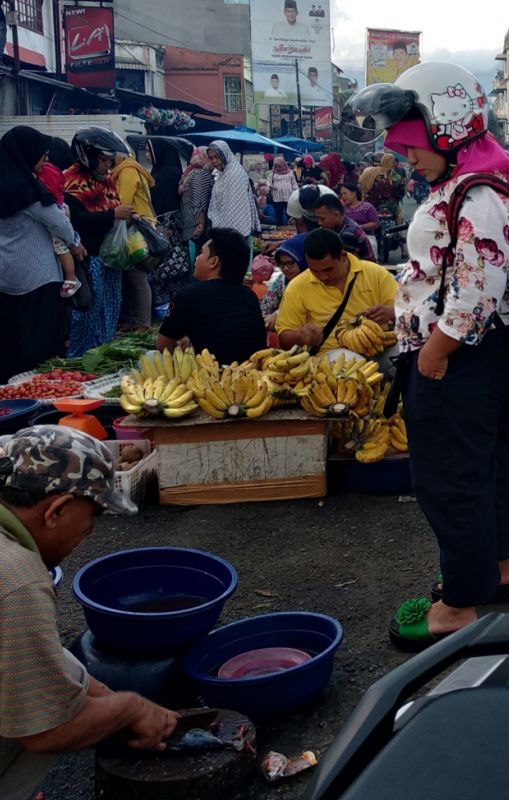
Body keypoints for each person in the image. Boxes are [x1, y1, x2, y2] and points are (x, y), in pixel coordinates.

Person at [362, 60, 509, 648]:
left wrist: (433, 355)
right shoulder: (469, 179)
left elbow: (476, 288)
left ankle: (458, 605)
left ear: (447, 125)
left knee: (449, 477)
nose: (406, 156)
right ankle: (495, 571)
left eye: (412, 143)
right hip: (470, 358)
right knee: (485, 463)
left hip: (459, 358)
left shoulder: (478, 190)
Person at [0, 427, 178, 800]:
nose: (91, 531)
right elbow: (46, 730)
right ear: (57, 510)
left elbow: (21, 650)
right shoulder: (17, 580)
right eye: (93, 514)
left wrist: (102, 696)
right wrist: (129, 707)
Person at [0, 127, 85, 383]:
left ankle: (10, 391)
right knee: (41, 343)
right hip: (38, 278)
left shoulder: (5, 184)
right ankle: (40, 393)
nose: (45, 160)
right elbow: (58, 223)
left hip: (6, 276)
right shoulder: (28, 191)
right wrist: (76, 243)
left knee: (11, 341)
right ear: (25, 155)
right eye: (41, 156)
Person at [64, 128, 135, 357]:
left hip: (110, 258)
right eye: (104, 160)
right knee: (89, 311)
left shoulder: (106, 182)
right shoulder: (71, 182)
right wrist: (113, 215)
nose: (107, 166)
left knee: (110, 307)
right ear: (88, 156)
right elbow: (76, 220)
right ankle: (82, 356)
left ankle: (102, 351)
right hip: (88, 257)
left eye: (110, 161)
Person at [274, 228, 395, 354]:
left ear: (343, 257)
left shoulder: (375, 274)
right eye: (314, 270)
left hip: (379, 347)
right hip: (330, 360)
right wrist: (300, 335)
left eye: (328, 270)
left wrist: (392, 312)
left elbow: (410, 314)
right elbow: (283, 339)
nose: (322, 277)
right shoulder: (297, 287)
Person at [156, 228, 266, 364]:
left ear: (213, 262)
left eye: (201, 253)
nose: (197, 258)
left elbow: (163, 346)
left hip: (210, 376)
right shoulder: (249, 295)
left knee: (152, 356)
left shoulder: (188, 295)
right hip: (254, 371)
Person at [112, 142, 157, 332]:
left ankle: (143, 322)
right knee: (131, 276)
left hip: (135, 229)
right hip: (136, 227)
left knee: (137, 276)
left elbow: (124, 201)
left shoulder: (127, 170)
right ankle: (137, 319)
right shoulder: (131, 167)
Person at [34, 154, 81, 300]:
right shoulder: (52, 170)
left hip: (58, 208)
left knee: (60, 247)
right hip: (62, 206)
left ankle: (71, 278)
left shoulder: (42, 176)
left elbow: (59, 225)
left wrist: (73, 242)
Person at [206, 141, 259, 249]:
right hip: (227, 232)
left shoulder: (234, 174)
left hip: (234, 234)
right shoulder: (223, 173)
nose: (214, 161)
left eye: (217, 157)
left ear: (224, 155)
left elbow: (234, 209)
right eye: (211, 158)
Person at [262, 233, 307, 329]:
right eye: (281, 264)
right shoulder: (281, 281)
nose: (286, 268)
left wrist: (278, 314)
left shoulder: (312, 283)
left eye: (290, 263)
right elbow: (265, 307)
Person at [313, 193, 375, 261]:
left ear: (336, 215)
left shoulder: (348, 234)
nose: (319, 223)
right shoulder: (342, 224)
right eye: (318, 218)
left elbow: (345, 265)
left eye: (322, 219)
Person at [179, 147, 213, 250]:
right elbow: (199, 201)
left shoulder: (190, 172)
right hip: (196, 225)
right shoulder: (200, 174)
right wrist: (201, 225)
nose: (213, 162)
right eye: (210, 158)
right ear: (205, 159)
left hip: (189, 223)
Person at [266, 156, 298, 225]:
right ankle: (279, 229)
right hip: (277, 197)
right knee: (278, 214)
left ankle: (291, 228)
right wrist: (270, 186)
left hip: (289, 197)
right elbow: (268, 182)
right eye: (276, 166)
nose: (278, 168)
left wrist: (296, 193)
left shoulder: (290, 172)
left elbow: (294, 183)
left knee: (290, 213)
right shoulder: (272, 173)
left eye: (279, 166)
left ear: (283, 165)